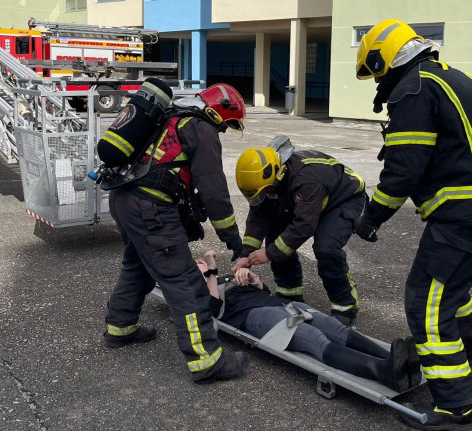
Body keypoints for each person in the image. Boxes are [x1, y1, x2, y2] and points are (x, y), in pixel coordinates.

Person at [353, 19, 472, 431]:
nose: (379, 81)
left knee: (425, 305)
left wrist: (370, 218)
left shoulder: (412, 89)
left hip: (462, 211)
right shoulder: (449, 77)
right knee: (450, 287)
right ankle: (471, 348)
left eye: (377, 70)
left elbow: (403, 170)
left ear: (386, 58)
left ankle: (454, 407)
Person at [104, 84, 250, 384]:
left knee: (138, 266)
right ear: (218, 112)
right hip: (150, 209)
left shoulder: (170, 117)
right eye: (227, 124)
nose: (224, 130)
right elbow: (214, 191)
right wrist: (232, 238)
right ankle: (207, 361)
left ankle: (120, 328)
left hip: (123, 199)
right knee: (184, 282)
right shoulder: (202, 128)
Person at [197, 250, 418, 392]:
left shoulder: (225, 277)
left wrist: (255, 280)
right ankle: (384, 372)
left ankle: (395, 359)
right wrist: (210, 272)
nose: (200, 262)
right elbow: (212, 310)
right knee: (314, 339)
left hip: (276, 303)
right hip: (254, 316)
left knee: (334, 327)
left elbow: (264, 292)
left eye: (199, 261)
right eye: (196, 263)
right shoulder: (198, 289)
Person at [233, 140, 366, 325]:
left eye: (265, 192)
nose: (263, 196)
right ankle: (290, 294)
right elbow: (258, 217)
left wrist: (270, 253)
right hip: (307, 201)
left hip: (342, 199)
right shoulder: (267, 181)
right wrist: (245, 255)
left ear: (277, 175)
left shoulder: (305, 179)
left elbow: (304, 225)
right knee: (277, 239)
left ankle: (345, 307)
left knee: (326, 248)